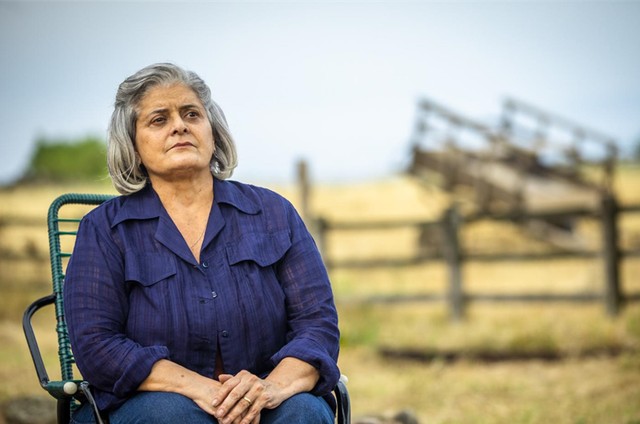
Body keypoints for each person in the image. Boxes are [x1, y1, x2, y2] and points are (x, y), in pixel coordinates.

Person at [63, 63, 341, 424]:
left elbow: (317, 325)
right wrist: (202, 390)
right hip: (149, 404)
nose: (180, 125)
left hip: (264, 396)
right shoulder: (104, 230)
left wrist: (270, 388)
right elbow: (97, 346)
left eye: (191, 114)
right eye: (159, 120)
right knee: (175, 416)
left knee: (302, 411)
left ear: (212, 130)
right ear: (132, 143)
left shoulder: (274, 214)